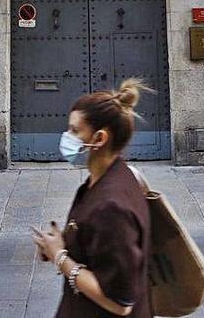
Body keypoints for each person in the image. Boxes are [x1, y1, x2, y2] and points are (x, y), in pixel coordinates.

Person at [32, 78, 152, 318]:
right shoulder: (111, 178)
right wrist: (65, 242)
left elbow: (120, 301)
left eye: (75, 130)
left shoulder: (111, 206)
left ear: (99, 139)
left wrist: (60, 256)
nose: (67, 136)